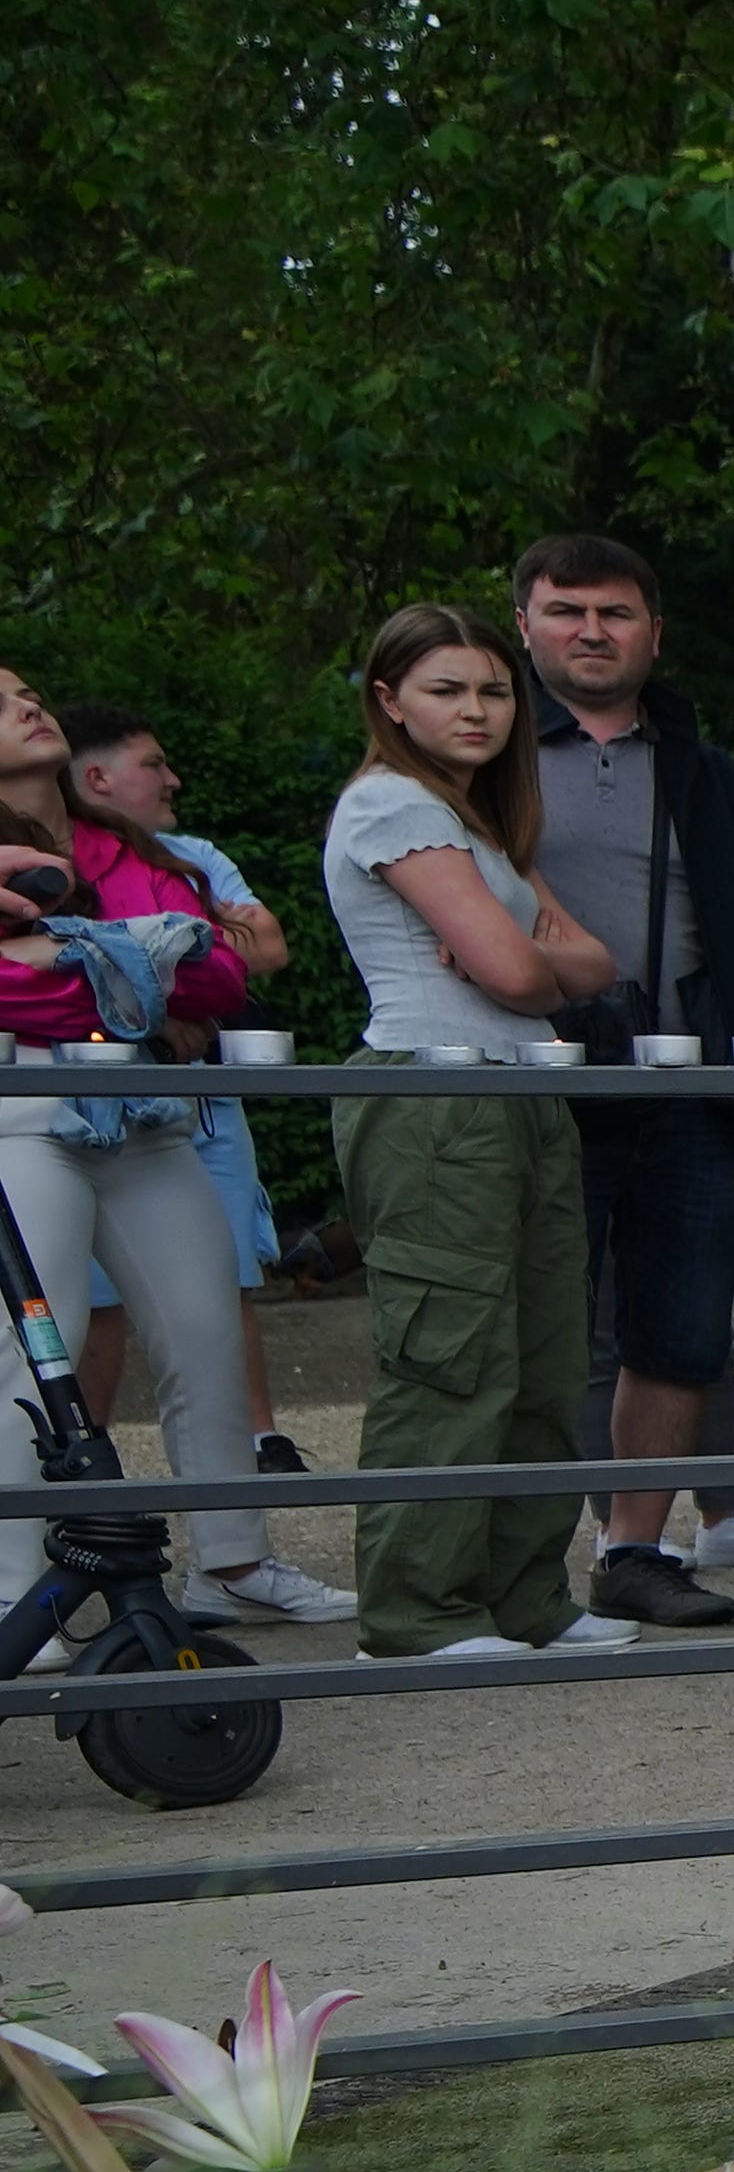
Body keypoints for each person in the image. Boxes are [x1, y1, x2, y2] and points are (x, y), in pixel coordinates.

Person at [318, 605, 630, 1655]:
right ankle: (416, 1609)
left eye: (494, 690)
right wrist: (527, 963)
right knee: (449, 1355)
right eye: (446, 689)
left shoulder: (475, 821)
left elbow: (592, 963)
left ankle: (522, 1596)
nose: (476, 709)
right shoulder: (388, 805)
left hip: (522, 1092)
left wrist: (532, 963)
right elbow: (516, 970)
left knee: (543, 1353)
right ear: (387, 699)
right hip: (434, 1097)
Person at [509, 536, 734, 1628]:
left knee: (680, 1329)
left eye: (616, 613)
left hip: (688, 1089)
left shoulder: (707, 773)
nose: (592, 630)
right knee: (536, 1326)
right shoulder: (484, 764)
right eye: (567, 610)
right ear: (526, 626)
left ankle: (637, 1549)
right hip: (535, 1083)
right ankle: (520, 1562)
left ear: (655, 633)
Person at [0, 667, 306, 1628]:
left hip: (143, 1117)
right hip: (26, 1119)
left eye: (25, 689)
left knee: (206, 1334)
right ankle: (9, 1591)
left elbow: (219, 975)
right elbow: (25, 995)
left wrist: (65, 949)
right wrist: (140, 961)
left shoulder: (117, 842)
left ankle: (233, 1565)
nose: (28, 703)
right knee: (31, 1359)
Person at [50, 702, 319, 1515]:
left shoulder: (192, 853)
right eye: (154, 764)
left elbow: (262, 949)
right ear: (98, 778)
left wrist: (129, 959)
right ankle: (80, 1477)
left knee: (222, 1285)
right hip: (83, 1107)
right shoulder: (51, 850)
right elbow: (73, 964)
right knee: (91, 1304)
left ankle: (252, 1469)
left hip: (199, 1105)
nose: (173, 779)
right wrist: (170, 951)